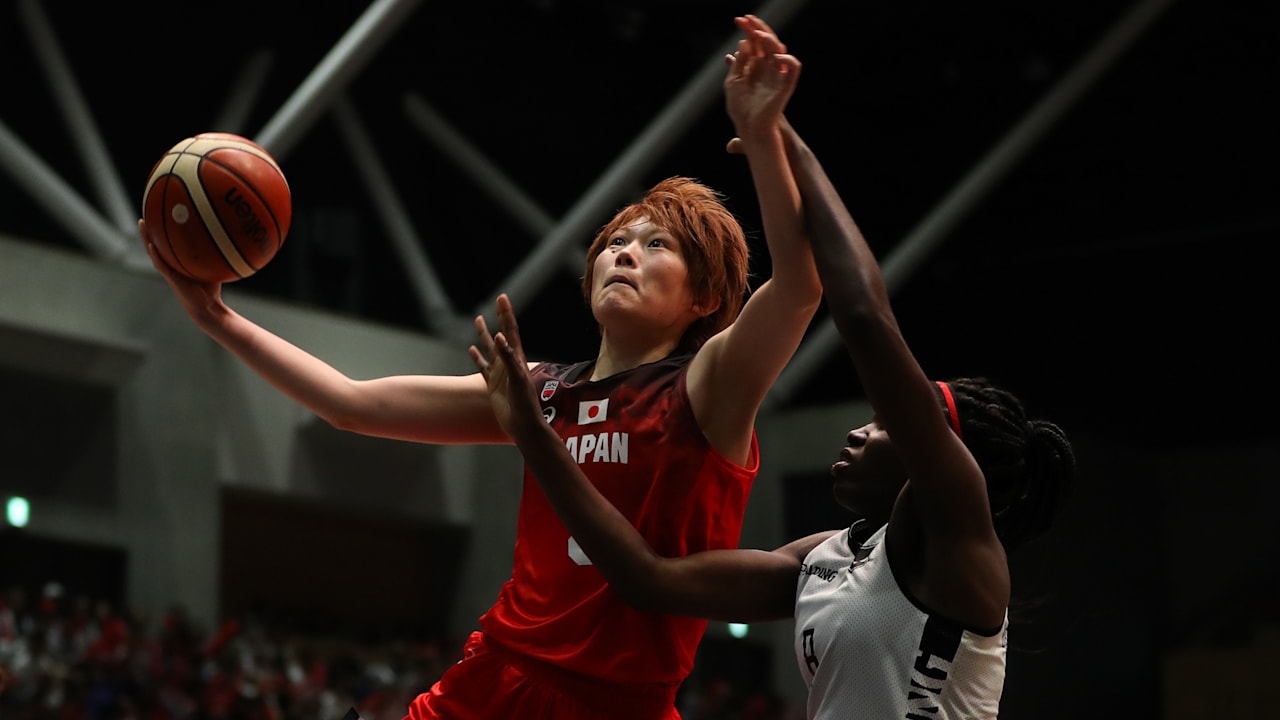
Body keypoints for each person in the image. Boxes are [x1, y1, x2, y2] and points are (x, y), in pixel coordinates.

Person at [139, 15, 821, 720]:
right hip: (495, 677)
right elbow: (351, 404)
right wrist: (215, 318)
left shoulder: (706, 388)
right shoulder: (537, 390)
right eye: (615, 241)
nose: (624, 252)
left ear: (704, 296)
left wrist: (764, 137)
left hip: (615, 703)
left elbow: (801, 285)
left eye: (656, 246)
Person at [468, 18, 1077, 720]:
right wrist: (535, 432)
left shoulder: (960, 546)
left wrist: (783, 137)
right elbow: (646, 579)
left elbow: (864, 319)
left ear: (933, 455)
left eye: (888, 425)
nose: (861, 431)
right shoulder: (828, 560)